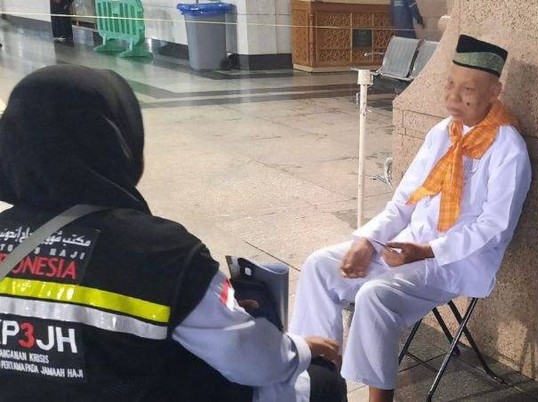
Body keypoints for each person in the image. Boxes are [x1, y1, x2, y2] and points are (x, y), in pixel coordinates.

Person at [0, 65, 347, 402]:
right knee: (321, 379)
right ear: (116, 140)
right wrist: (302, 347)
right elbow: (255, 364)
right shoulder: (162, 254)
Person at [290, 34, 532, 402]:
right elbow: (404, 202)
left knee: (375, 296)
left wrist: (426, 250)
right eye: (449, 84)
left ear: (494, 91)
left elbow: (494, 227)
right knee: (321, 265)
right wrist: (367, 241)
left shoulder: (508, 147)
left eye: (467, 90)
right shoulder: (442, 133)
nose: (453, 97)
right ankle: (319, 377)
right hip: (408, 247)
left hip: (454, 262)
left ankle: (379, 398)